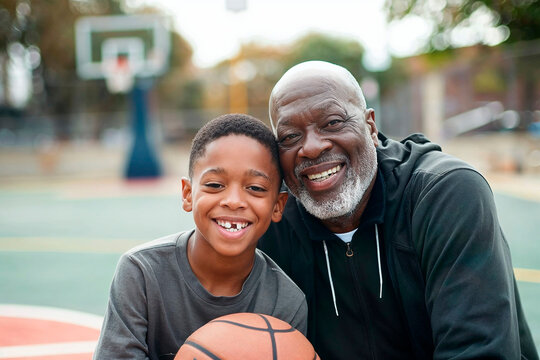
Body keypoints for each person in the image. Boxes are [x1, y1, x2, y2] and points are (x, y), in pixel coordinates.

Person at [258, 60, 538, 360]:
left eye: (333, 123)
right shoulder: (270, 218)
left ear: (370, 126)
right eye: (290, 137)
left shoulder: (443, 192)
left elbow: (478, 352)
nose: (311, 148)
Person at [94, 114, 308, 360]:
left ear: (278, 206)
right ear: (187, 194)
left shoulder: (286, 302)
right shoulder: (141, 273)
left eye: (255, 188)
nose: (234, 201)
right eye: (215, 185)